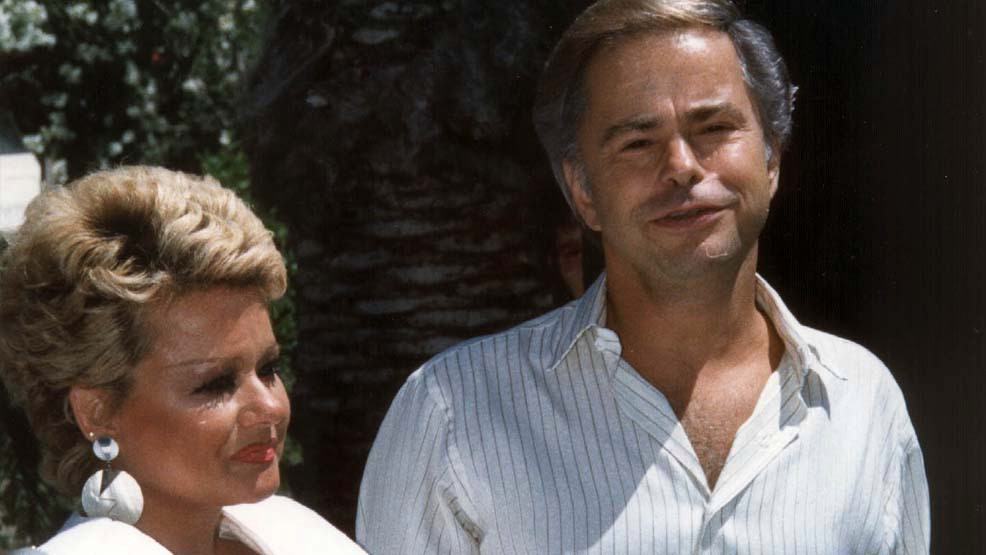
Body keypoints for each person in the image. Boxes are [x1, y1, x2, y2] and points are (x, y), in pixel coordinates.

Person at [356, 1, 930, 553]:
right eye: (637, 142)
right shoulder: (454, 413)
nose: (681, 166)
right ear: (582, 191)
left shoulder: (863, 402)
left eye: (714, 127)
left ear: (772, 159)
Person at [0, 166, 364, 555]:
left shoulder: (298, 532)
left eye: (268, 369)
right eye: (215, 384)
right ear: (97, 412)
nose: (271, 407)